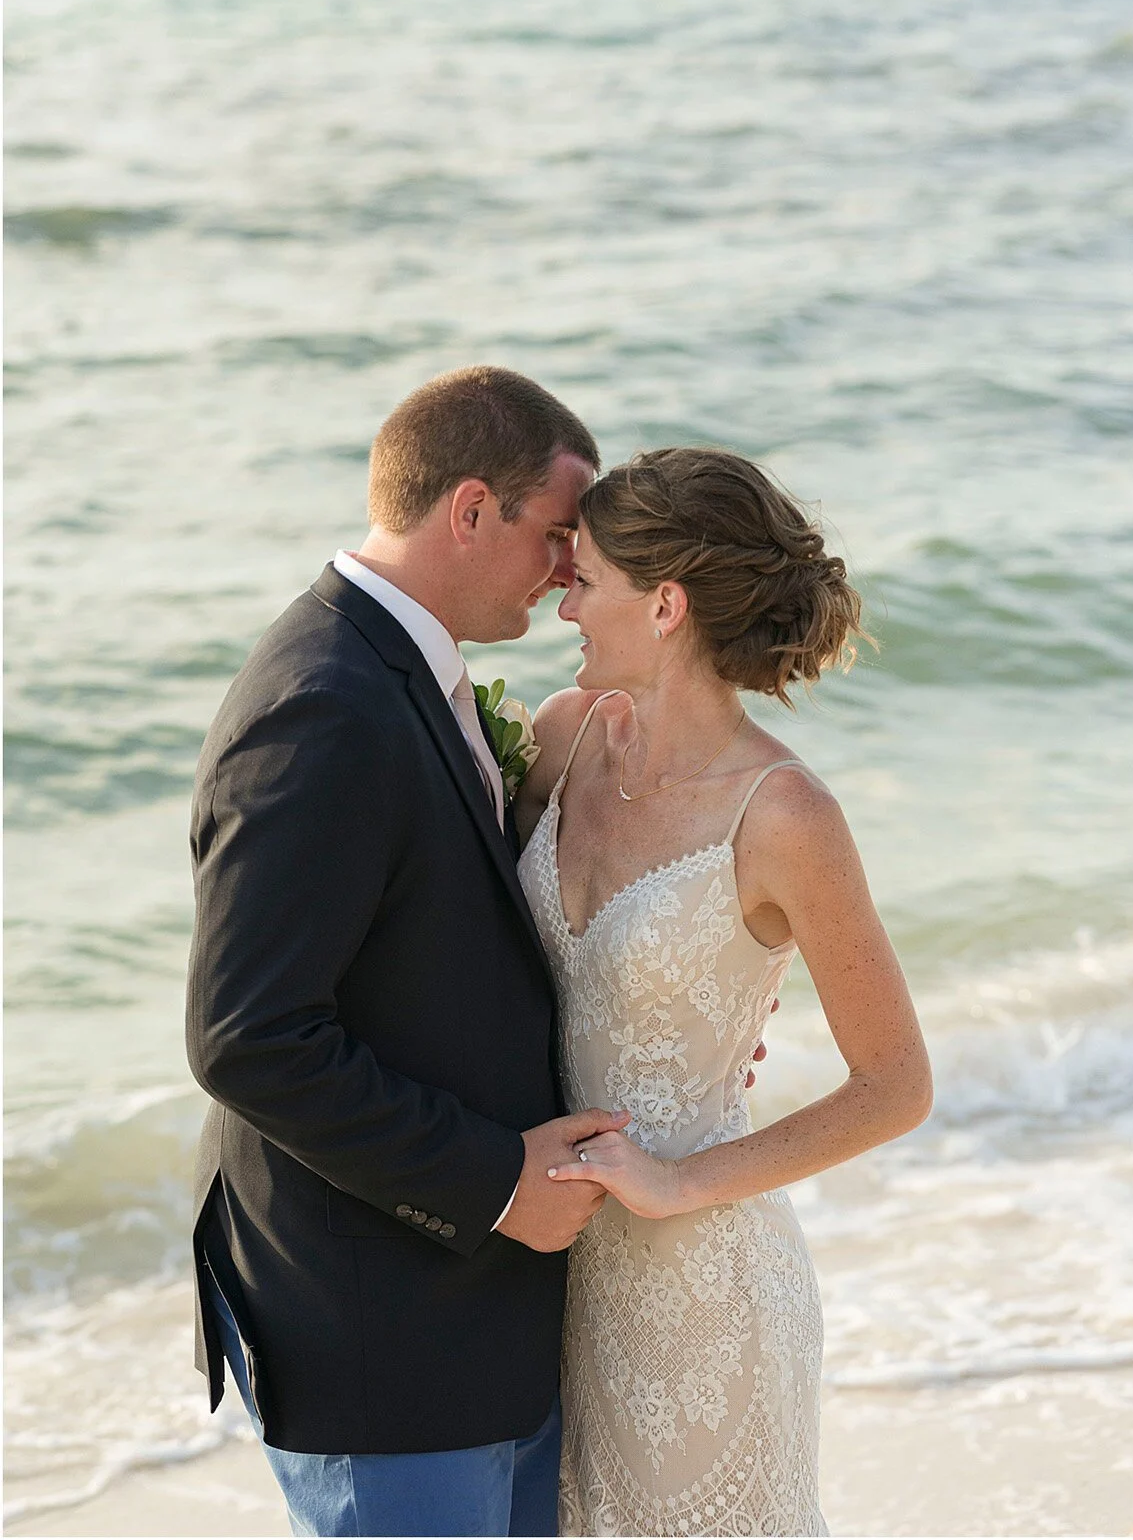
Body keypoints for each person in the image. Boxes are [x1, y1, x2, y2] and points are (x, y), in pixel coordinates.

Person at [187, 366, 623, 1535]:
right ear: (471, 511)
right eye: (558, 535)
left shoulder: (407, 673)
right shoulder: (323, 703)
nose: (569, 570)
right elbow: (251, 1040)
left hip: (480, 1315)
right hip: (380, 1331)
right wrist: (497, 1185)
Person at [510, 447, 932, 1535]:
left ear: (663, 605)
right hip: (550, 1281)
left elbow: (894, 1085)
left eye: (585, 578)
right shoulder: (562, 738)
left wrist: (684, 1182)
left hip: (705, 1295)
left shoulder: (784, 816)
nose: (563, 602)